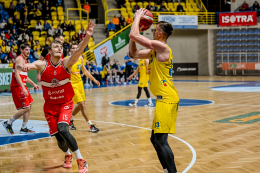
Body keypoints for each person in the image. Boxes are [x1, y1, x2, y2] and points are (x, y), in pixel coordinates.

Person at [16, 21, 96, 173]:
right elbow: (31, 65)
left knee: (63, 129)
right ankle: (67, 155)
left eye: (61, 46)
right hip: (50, 106)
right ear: (50, 52)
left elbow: (78, 51)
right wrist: (24, 66)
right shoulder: (42, 64)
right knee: (59, 139)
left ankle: (81, 160)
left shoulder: (66, 63)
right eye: (56, 46)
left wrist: (88, 36)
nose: (60, 47)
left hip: (65, 103)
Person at [128, 9, 179, 173]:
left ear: (160, 35)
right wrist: (133, 30)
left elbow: (135, 36)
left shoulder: (162, 47)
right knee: (155, 140)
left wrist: (136, 19)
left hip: (167, 98)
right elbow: (133, 53)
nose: (153, 30)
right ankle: (166, 170)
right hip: (163, 98)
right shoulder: (153, 50)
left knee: (161, 141)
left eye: (155, 29)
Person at [2, 43, 39, 135]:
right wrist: (23, 87)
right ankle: (8, 123)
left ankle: (24, 128)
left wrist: (33, 84)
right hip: (17, 86)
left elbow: (24, 76)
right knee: (25, 108)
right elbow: (17, 74)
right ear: (21, 50)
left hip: (22, 85)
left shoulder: (24, 60)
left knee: (29, 106)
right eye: (26, 49)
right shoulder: (19, 59)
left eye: (29, 49)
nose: (28, 51)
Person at [67, 43, 100, 132]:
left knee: (81, 104)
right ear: (70, 50)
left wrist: (94, 79)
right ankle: (91, 125)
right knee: (81, 104)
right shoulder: (67, 60)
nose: (75, 49)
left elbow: (84, 71)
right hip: (72, 84)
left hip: (80, 83)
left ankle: (70, 120)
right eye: (73, 48)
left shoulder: (80, 58)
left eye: (76, 48)